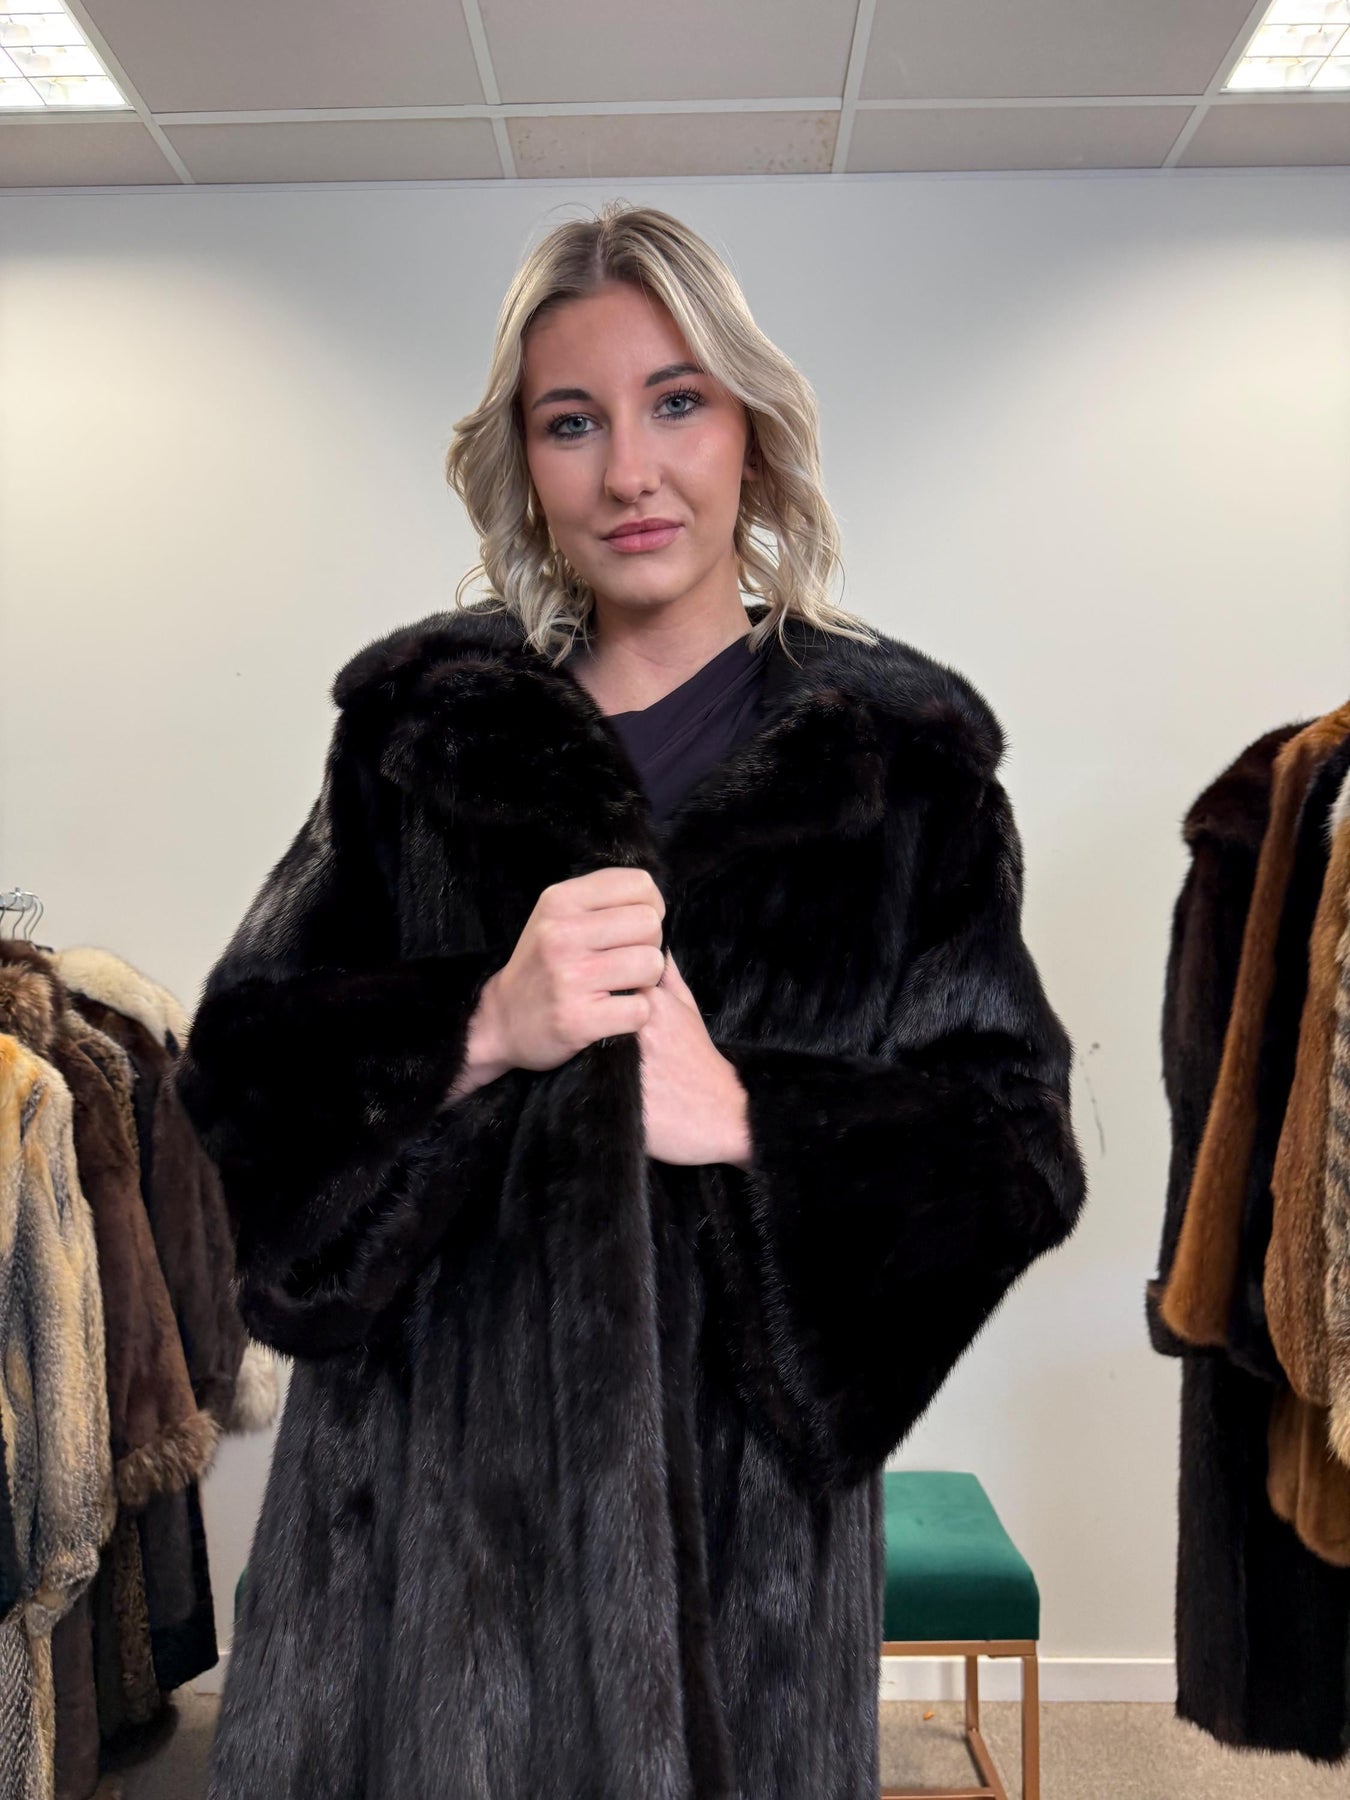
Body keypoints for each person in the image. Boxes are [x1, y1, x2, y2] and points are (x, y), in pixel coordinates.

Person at [175, 200, 1087, 1800]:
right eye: (571, 421)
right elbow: (241, 1082)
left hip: (745, 1563)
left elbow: (1012, 1145)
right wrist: (481, 1029)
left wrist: (750, 1121)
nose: (629, 472)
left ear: (751, 429)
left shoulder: (896, 763)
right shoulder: (425, 732)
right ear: (526, 465)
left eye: (676, 403)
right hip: (427, 1537)